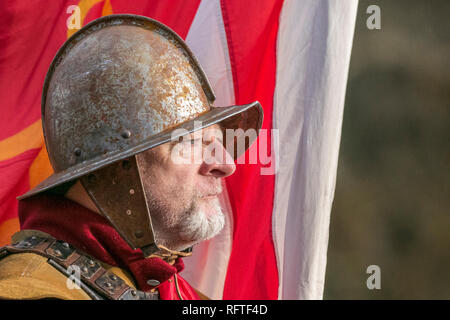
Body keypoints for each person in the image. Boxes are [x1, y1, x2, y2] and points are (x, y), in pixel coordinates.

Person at [0, 14, 262, 300]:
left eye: (219, 142)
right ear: (116, 167)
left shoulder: (182, 295)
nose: (225, 165)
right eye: (191, 141)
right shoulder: (30, 289)